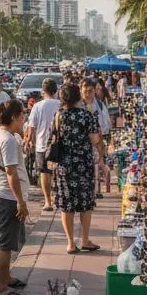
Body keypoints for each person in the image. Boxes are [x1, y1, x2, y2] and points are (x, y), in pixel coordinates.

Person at [50, 82, 103, 254]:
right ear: (78, 96)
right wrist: (101, 153)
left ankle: (70, 243)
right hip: (83, 164)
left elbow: (53, 137)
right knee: (85, 202)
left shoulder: (58, 116)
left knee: (67, 204)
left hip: (64, 165)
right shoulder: (87, 115)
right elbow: (95, 139)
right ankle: (85, 239)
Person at [0, 99, 30, 295]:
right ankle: (1, 287)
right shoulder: (8, 140)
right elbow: (11, 173)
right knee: (5, 244)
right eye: (22, 114)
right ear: (13, 117)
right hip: (6, 197)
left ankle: (5, 278)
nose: (24, 118)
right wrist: (20, 201)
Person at [26, 78, 61, 212]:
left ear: (43, 91)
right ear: (55, 91)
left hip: (42, 144)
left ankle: (48, 201)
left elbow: (31, 127)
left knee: (45, 173)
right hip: (58, 144)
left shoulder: (37, 106)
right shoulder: (60, 104)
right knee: (58, 172)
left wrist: (29, 141)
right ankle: (57, 197)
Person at [80, 77, 111, 198]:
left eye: (90, 91)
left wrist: (103, 144)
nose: (88, 94)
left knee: (97, 165)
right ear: (81, 90)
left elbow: (105, 124)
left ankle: (96, 190)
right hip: (80, 142)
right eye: (85, 90)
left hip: (96, 140)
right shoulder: (77, 104)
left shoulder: (99, 104)